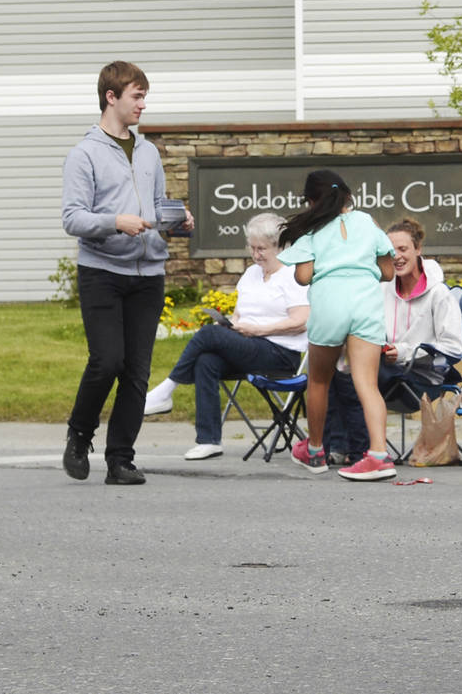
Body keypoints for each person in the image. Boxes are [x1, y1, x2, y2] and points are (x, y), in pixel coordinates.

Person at [60, 60, 190, 486]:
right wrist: (115, 221)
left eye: (144, 96)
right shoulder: (84, 154)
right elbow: (72, 218)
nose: (143, 105)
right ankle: (79, 434)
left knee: (136, 370)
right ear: (111, 97)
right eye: (137, 96)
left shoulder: (149, 151)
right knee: (107, 361)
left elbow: (156, 204)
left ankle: (121, 460)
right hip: (102, 271)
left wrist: (176, 220)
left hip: (147, 272)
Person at [143, 212, 308, 459]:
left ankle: (167, 389)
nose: (256, 254)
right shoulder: (251, 274)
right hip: (250, 345)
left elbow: (301, 322)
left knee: (209, 335)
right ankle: (209, 440)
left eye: (262, 248)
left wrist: (257, 330)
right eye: (252, 248)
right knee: (206, 360)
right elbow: (240, 315)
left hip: (280, 354)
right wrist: (231, 325)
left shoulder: (292, 276)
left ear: (280, 246)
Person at [276, 169, 398, 482]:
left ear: (310, 201)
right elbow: (387, 271)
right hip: (365, 304)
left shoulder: (313, 231)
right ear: (347, 194)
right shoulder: (366, 222)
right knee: (367, 384)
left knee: (318, 380)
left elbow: (303, 277)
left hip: (330, 303)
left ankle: (315, 450)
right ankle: (379, 455)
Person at [322, 217, 462, 463]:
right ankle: (336, 447)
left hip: (422, 378)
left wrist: (405, 352)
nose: (396, 256)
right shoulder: (381, 288)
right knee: (334, 369)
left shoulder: (439, 294)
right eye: (390, 251)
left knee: (358, 375)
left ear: (418, 250)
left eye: (403, 249)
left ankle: (362, 452)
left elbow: (453, 348)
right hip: (387, 368)